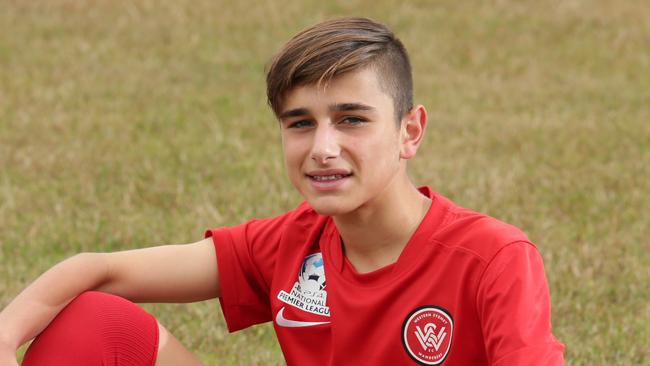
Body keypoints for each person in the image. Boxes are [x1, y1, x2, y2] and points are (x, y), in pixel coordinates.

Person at [0, 17, 565, 365]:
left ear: (409, 131)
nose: (322, 147)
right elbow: (98, 271)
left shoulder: (495, 259)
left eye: (351, 120)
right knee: (96, 323)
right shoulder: (291, 244)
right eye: (300, 123)